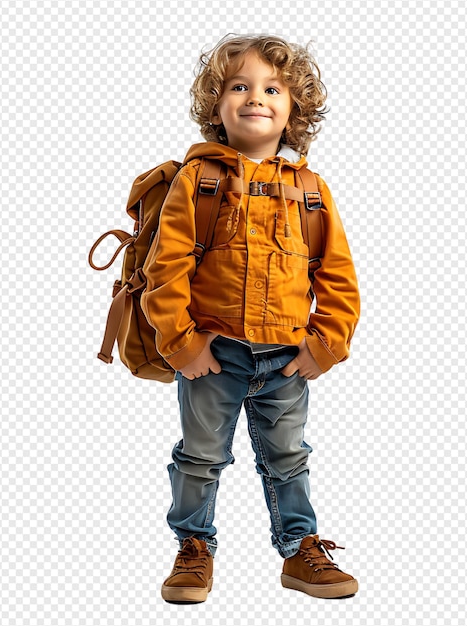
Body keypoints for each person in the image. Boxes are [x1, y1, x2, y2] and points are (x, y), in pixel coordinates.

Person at [142, 34, 360, 603]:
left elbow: (337, 274)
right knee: (200, 455)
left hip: (288, 358)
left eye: (272, 88)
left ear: (294, 109)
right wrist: (182, 344)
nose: (254, 97)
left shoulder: (311, 190)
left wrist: (326, 343)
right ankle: (193, 548)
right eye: (238, 86)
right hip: (213, 355)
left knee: (289, 456)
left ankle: (300, 548)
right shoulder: (199, 181)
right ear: (216, 105)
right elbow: (164, 270)